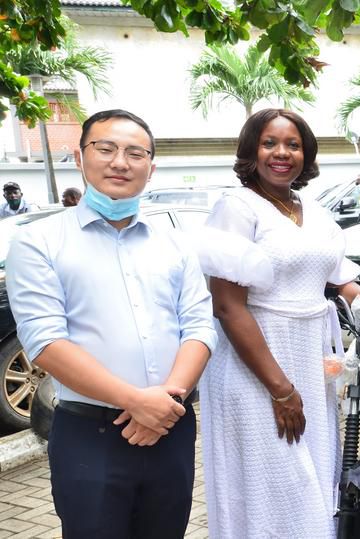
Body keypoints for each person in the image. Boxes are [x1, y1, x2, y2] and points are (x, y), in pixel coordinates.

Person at [5, 109, 216, 538]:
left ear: (150, 168)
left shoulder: (174, 245)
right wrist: (137, 402)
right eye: (106, 148)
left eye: (135, 153)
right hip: (90, 436)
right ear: (80, 158)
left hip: (170, 429)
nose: (120, 162)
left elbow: (199, 326)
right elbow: (46, 341)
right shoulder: (38, 242)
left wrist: (165, 401)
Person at [198, 108, 360, 538]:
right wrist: (281, 388)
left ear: (306, 153)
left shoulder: (310, 208)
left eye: (292, 144)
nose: (281, 153)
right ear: (251, 149)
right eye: (270, 142)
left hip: (309, 363)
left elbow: (333, 279)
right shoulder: (236, 208)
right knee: (272, 487)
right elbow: (228, 307)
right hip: (256, 366)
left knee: (310, 480)